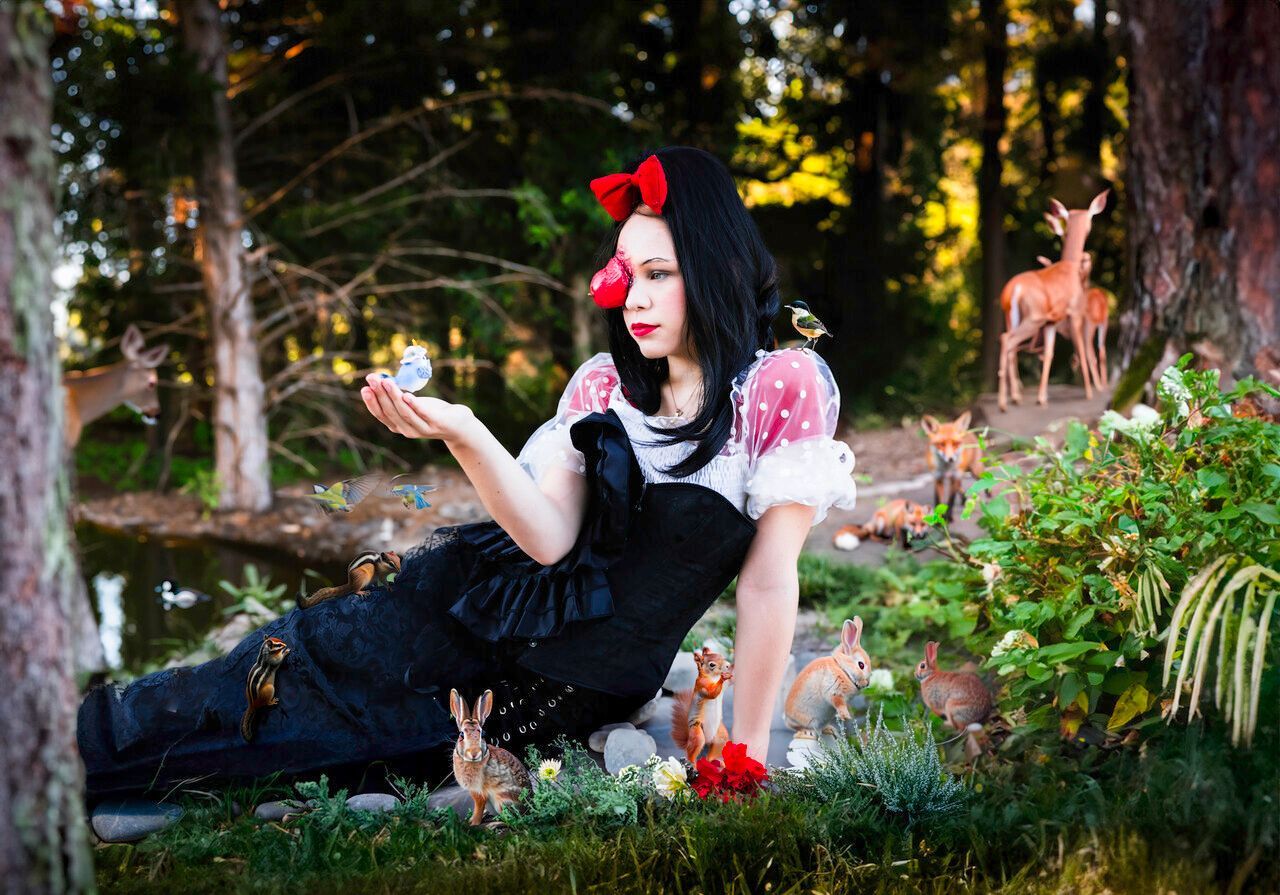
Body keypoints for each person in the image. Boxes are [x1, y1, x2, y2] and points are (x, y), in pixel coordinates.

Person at [77, 146, 858, 800]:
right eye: (626, 273)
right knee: (295, 657)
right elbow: (549, 540)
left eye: (660, 274)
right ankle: (71, 739)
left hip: (556, 684)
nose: (634, 299)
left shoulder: (778, 386)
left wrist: (746, 754)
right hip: (472, 605)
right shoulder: (601, 385)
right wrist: (465, 431)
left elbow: (766, 583)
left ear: (715, 268)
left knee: (314, 745)